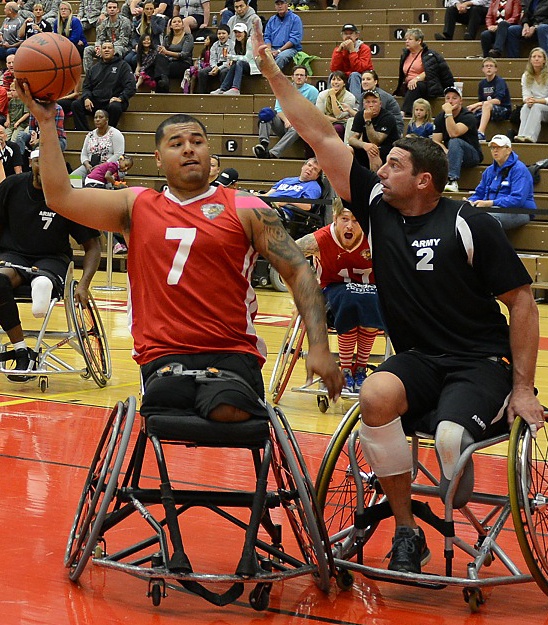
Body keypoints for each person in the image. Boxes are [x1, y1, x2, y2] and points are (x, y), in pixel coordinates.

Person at [252, 30, 543, 575]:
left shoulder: (468, 223)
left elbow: (522, 302)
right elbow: (318, 134)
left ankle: (460, 471)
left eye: (394, 166)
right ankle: (408, 530)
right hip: (418, 359)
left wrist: (523, 386)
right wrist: (271, 72)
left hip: (480, 362)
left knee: (453, 438)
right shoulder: (378, 208)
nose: (381, 172)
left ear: (424, 180)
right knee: (376, 395)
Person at [16, 87, 343, 418]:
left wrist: (319, 346)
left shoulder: (247, 207)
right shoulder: (136, 205)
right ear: (158, 158)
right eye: (177, 144)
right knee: (167, 406)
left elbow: (299, 270)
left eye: (197, 142)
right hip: (161, 353)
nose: (189, 149)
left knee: (228, 410)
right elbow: (59, 196)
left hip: (231, 350)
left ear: (208, 151)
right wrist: (46, 123)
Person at [0, 149, 101, 381]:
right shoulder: (11, 187)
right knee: (0, 279)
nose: (42, 168)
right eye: (38, 162)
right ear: (30, 163)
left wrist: (84, 284)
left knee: (44, 279)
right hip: (14, 256)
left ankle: (42, 284)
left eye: (48, 163)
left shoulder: (69, 196)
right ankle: (22, 350)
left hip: (52, 259)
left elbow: (92, 246)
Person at [296, 197, 384, 393]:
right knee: (348, 298)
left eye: (356, 220)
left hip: (370, 294)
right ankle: (345, 370)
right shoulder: (319, 240)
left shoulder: (377, 239)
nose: (350, 225)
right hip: (331, 295)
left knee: (373, 300)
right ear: (334, 218)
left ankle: (360, 369)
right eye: (345, 219)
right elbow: (286, 256)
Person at [467, 134, 535, 233]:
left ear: (508, 150)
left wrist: (490, 203)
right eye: (492, 148)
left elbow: (517, 199)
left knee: (487, 219)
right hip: (492, 209)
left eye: (499, 147)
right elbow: (479, 193)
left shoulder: (519, 169)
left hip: (519, 211)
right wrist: (470, 202)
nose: (495, 150)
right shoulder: (489, 170)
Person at [253, 65, 318, 159]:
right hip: (284, 123)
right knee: (266, 113)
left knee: (297, 127)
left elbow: (312, 113)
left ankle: (273, 154)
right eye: (297, 75)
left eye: (302, 75)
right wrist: (286, 120)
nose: (299, 77)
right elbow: (278, 109)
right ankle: (264, 144)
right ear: (292, 77)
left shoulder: (312, 91)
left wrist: (295, 121)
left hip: (301, 126)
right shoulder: (284, 89)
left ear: (306, 78)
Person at [72, 42, 137, 131]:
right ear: (100, 51)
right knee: (76, 105)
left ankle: (108, 132)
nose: (107, 50)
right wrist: (86, 98)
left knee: (115, 107)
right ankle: (85, 133)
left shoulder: (123, 66)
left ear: (114, 51)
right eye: (104, 48)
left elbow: (131, 85)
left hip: (112, 102)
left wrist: (121, 98)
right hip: (95, 102)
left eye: (109, 48)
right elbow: (86, 87)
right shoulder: (94, 68)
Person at [393, 27, 454, 119]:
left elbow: (431, 71)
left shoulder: (429, 55)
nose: (407, 41)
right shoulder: (405, 55)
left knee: (415, 86)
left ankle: (404, 112)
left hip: (427, 85)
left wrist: (416, 79)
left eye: (410, 39)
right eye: (406, 39)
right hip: (408, 84)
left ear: (419, 41)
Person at [432, 85, 483, 192]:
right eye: (447, 98)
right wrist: (445, 151)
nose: (450, 101)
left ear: (461, 101)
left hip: (471, 155)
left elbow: (453, 133)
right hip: (452, 154)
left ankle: (452, 180)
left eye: (454, 98)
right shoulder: (440, 117)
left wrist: (448, 113)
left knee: (455, 141)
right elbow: (436, 141)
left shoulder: (468, 116)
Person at [515, 47, 548, 143]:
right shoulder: (526, 75)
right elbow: (525, 95)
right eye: (534, 57)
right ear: (530, 60)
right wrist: (528, 100)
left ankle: (530, 137)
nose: (536, 59)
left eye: (539, 57)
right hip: (534, 106)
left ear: (544, 60)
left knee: (536, 107)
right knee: (525, 107)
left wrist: (536, 101)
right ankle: (521, 135)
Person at [348, 89, 400, 172]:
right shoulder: (360, 114)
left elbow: (376, 141)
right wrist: (364, 145)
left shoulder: (388, 117)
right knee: (348, 149)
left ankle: (375, 182)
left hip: (387, 149)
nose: (371, 105)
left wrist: (368, 120)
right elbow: (352, 139)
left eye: (374, 102)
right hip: (368, 147)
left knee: (373, 151)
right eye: (367, 102)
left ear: (380, 104)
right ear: (363, 104)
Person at [70, 109, 126, 179]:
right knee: (73, 178)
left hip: (109, 167)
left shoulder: (115, 134)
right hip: (91, 166)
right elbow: (84, 154)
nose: (97, 119)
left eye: (101, 117)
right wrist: (87, 164)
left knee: (97, 178)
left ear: (107, 120)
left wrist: (102, 165)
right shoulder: (90, 134)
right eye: (95, 117)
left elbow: (118, 155)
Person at [466, 58, 512, 141]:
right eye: (486, 66)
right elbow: (481, 101)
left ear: (496, 69)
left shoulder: (500, 81)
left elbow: (497, 101)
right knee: (470, 112)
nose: (489, 68)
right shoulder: (482, 84)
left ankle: (481, 133)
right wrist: (475, 108)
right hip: (488, 110)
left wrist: (477, 104)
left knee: (486, 105)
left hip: (503, 110)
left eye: (491, 66)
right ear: (483, 69)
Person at [210, 22, 259, 96]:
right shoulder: (237, 43)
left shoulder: (250, 42)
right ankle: (223, 88)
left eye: (239, 32)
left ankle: (236, 88)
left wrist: (231, 57)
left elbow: (247, 59)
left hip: (254, 67)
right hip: (244, 66)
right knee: (235, 63)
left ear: (245, 33)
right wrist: (233, 60)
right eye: (236, 32)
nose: (237, 34)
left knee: (239, 62)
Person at [82, 0, 132, 73]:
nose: (112, 9)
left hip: (123, 48)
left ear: (118, 10)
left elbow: (124, 41)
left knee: (115, 50)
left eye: (114, 7)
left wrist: (107, 47)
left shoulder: (125, 22)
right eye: (110, 7)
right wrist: (98, 47)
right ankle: (89, 75)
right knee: (88, 49)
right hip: (106, 47)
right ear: (106, 9)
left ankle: (112, 74)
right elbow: (99, 38)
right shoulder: (103, 23)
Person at [329, 23, 373, 102]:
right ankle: (330, 101)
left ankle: (355, 104)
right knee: (333, 75)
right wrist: (338, 52)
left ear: (357, 35)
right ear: (342, 36)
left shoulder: (364, 48)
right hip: (345, 77)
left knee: (354, 75)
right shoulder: (339, 49)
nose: (348, 36)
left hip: (361, 78)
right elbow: (334, 69)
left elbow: (360, 68)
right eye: (345, 34)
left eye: (351, 33)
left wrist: (352, 51)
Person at [154, 15, 194, 93]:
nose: (177, 23)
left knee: (163, 69)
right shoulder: (167, 37)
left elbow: (184, 55)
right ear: (171, 26)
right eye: (174, 22)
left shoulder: (188, 37)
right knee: (158, 58)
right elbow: (163, 52)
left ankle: (164, 84)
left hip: (183, 63)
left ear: (183, 25)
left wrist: (167, 52)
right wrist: (163, 52)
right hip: (169, 61)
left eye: (179, 22)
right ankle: (163, 86)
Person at [189, 24, 233, 94]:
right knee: (202, 72)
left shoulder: (232, 44)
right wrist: (214, 67)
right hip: (215, 65)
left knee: (224, 72)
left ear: (228, 34)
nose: (221, 35)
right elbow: (212, 59)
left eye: (223, 33)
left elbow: (230, 60)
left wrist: (218, 68)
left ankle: (224, 91)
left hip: (226, 65)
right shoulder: (215, 45)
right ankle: (203, 94)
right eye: (219, 34)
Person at [124, 0, 167, 70]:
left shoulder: (160, 20)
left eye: (151, 9)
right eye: (147, 9)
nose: (149, 11)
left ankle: (143, 75)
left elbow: (157, 31)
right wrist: (135, 45)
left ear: (154, 10)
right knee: (127, 59)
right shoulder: (140, 22)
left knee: (134, 59)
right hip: (141, 47)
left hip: (153, 47)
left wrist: (152, 18)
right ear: (143, 10)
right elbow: (134, 37)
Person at [315, 71, 357, 141]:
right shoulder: (322, 94)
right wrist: (337, 120)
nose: (336, 82)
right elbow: (320, 115)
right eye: (333, 79)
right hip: (325, 121)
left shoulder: (349, 97)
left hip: (342, 124)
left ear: (344, 83)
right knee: (310, 131)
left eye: (339, 80)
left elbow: (339, 115)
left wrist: (332, 96)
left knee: (336, 129)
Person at [263, 0, 303, 71]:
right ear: (275, 7)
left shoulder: (295, 19)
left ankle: (272, 77)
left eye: (282, 4)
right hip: (272, 48)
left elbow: (294, 39)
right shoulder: (272, 20)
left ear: (287, 5)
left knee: (281, 57)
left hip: (290, 49)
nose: (280, 6)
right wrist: (269, 50)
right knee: (261, 55)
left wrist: (279, 50)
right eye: (277, 4)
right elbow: (267, 37)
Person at [361, 70, 404, 135]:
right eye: (363, 79)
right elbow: (360, 114)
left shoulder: (381, 95)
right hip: (376, 123)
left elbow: (374, 115)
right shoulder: (363, 95)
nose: (365, 82)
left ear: (375, 82)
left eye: (368, 79)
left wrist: (350, 110)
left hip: (392, 127)